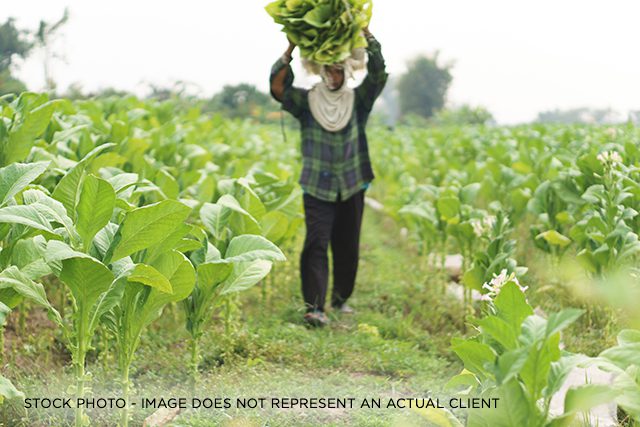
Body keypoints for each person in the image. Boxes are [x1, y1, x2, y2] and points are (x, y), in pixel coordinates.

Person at [270, 26, 387, 327]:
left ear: (346, 72)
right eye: (328, 71)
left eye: (338, 71)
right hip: (316, 186)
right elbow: (278, 88)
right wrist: (290, 49)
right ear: (321, 72)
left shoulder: (358, 102)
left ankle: (340, 299)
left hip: (351, 182)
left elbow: (377, 75)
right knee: (316, 243)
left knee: (347, 245)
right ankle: (315, 308)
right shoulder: (308, 103)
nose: (333, 76)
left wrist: (368, 38)